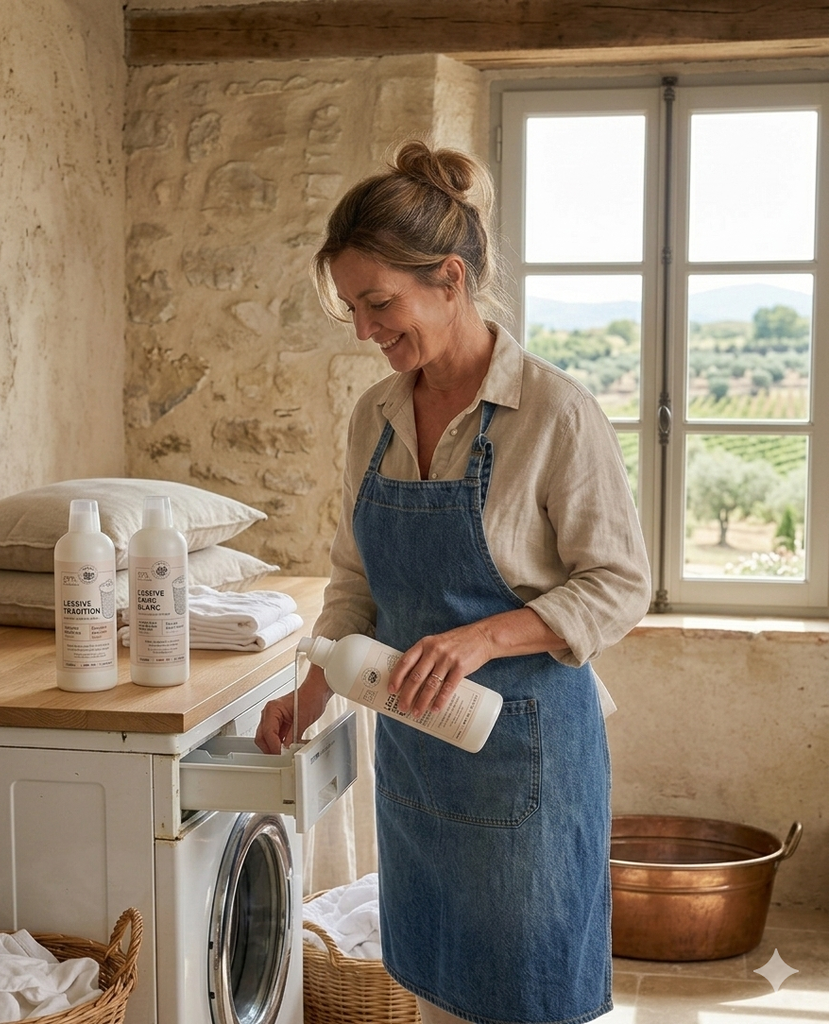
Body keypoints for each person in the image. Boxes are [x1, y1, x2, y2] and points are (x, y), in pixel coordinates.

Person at [256, 140, 651, 1024]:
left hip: (529, 754)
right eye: (353, 309)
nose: (365, 329)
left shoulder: (554, 412)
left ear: (449, 277)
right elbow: (357, 578)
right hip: (415, 749)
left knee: (529, 994)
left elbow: (619, 583)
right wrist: (314, 689)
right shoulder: (376, 414)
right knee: (433, 990)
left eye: (379, 302)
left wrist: (483, 638)